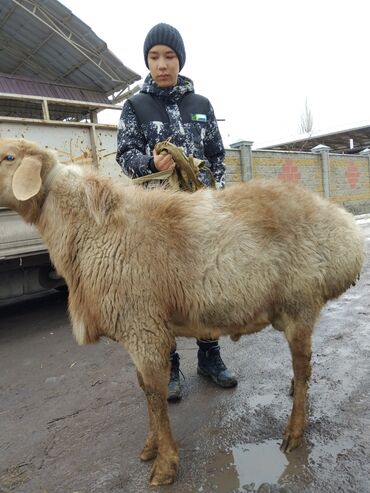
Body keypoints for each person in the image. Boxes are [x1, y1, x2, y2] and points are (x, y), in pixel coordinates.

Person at [116, 22, 237, 401]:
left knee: (206, 287)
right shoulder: (136, 105)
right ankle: (170, 367)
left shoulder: (201, 105)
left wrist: (214, 189)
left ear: (180, 60)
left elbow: (218, 155)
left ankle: (210, 358)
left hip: (200, 215)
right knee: (163, 291)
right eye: (154, 57)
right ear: (147, 62)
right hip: (157, 218)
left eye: (169, 56)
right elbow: (125, 154)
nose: (162, 64)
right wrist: (148, 161)